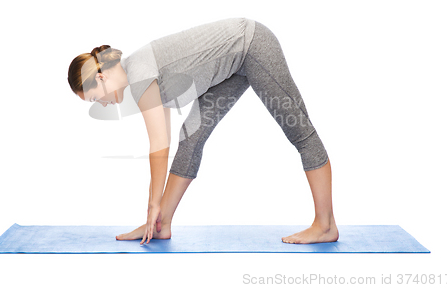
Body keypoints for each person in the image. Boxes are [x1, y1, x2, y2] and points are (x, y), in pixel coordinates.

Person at [67, 17, 338, 245]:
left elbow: (158, 145)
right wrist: (153, 208)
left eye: (94, 98)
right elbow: (166, 141)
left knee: (299, 130)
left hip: (251, 45)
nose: (101, 104)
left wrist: (152, 205)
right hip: (232, 66)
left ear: (100, 78)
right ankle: (162, 225)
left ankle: (325, 225)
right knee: (190, 138)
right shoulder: (139, 74)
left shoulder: (138, 74)